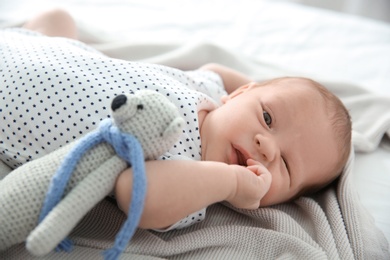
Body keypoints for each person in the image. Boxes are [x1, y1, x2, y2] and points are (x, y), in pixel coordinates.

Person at [0, 9, 351, 231]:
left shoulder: (193, 183)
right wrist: (250, 92)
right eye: (268, 117)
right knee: (58, 18)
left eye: (286, 165)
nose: (267, 146)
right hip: (41, 49)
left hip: (9, 100)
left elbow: (135, 193)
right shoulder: (208, 87)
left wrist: (230, 183)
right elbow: (221, 73)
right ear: (240, 94)